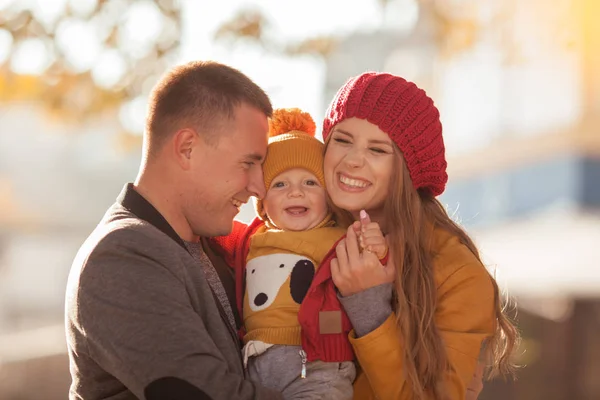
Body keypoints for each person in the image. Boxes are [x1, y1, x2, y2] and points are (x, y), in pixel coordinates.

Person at [64, 61, 285, 400]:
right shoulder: (120, 257)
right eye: (248, 163)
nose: (259, 187)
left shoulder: (216, 246)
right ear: (187, 148)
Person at [320, 72, 520, 399]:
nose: (352, 160)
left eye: (378, 150)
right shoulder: (308, 231)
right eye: (342, 140)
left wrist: (369, 306)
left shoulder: (457, 273)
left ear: (408, 168)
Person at [210, 108, 388, 400]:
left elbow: (370, 271)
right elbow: (212, 234)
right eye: (279, 184)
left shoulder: (337, 236)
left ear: (329, 200)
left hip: (317, 363)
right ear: (263, 203)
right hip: (256, 361)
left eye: (310, 183)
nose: (296, 192)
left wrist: (375, 247)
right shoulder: (252, 238)